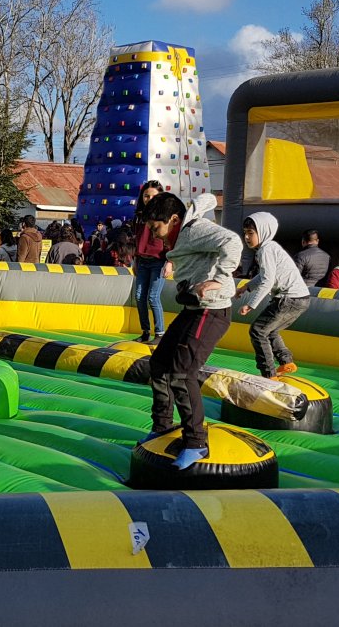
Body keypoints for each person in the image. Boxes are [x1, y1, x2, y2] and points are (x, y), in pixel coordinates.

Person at [142, 192, 241, 470]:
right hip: (194, 310)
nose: (155, 235)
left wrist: (218, 279)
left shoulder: (193, 230)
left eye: (156, 228)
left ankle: (196, 442)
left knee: (182, 372)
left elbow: (232, 242)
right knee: (159, 363)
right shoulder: (181, 235)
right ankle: (162, 426)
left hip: (212, 311)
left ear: (174, 220)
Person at [234, 213, 311, 379]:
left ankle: (268, 373)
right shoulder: (271, 247)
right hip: (302, 299)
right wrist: (247, 287)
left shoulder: (266, 250)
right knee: (271, 330)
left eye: (251, 233)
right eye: (245, 233)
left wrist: (250, 304)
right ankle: (286, 362)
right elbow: (265, 275)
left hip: (288, 298)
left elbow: (267, 281)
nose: (246, 237)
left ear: (263, 231)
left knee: (257, 331)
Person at [132, 180, 171, 343]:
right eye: (146, 196)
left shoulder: (166, 216)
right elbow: (137, 239)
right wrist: (135, 260)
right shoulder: (140, 216)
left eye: (153, 196)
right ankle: (145, 331)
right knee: (139, 296)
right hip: (142, 261)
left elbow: (171, 240)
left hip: (158, 261)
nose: (148, 199)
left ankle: (160, 333)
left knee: (153, 297)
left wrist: (170, 262)